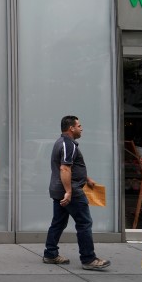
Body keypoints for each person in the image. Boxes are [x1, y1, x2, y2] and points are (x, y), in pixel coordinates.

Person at [42, 115, 111, 270]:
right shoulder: (68, 144)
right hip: (71, 190)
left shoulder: (63, 143)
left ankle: (50, 254)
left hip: (60, 189)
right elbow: (65, 168)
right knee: (84, 223)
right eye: (79, 125)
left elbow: (70, 166)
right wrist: (69, 192)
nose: (81, 128)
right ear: (71, 128)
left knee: (58, 222)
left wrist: (87, 178)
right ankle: (88, 259)